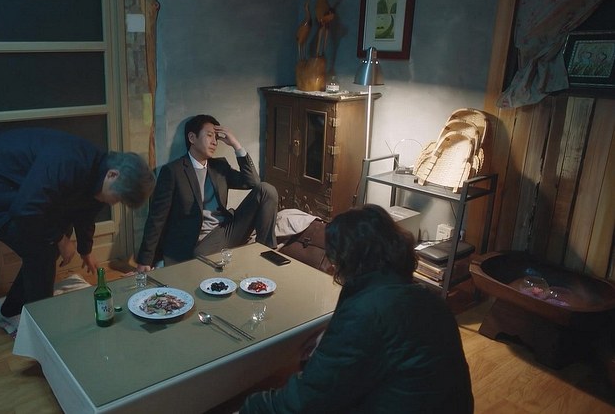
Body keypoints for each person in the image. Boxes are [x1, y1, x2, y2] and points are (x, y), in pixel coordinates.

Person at [241, 204, 474, 413]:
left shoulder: (365, 313)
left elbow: (306, 399)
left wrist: (250, 406)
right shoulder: (431, 300)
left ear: (347, 260)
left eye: (333, 259)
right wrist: (331, 339)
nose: (332, 267)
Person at [0, 128, 155, 317]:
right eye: (117, 197)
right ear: (112, 174)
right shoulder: (70, 161)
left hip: (16, 189)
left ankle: (13, 307)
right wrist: (60, 240)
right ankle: (42, 321)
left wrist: (85, 250)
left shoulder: (98, 169)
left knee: (53, 237)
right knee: (43, 248)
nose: (114, 203)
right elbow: (26, 209)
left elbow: (85, 209)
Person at [135, 114, 278, 271]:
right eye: (209, 135)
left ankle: (267, 253)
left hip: (225, 230)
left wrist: (236, 145)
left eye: (216, 137)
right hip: (197, 242)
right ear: (192, 138)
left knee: (266, 190)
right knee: (200, 254)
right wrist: (145, 260)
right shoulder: (173, 171)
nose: (214, 142)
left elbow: (252, 182)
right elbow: (157, 218)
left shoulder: (219, 166)